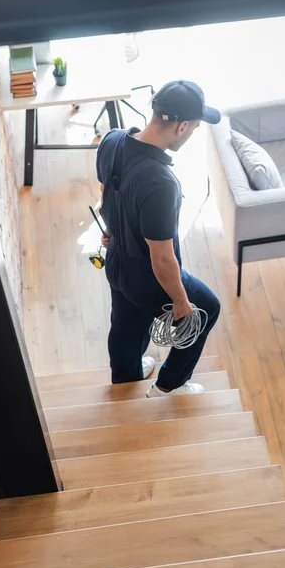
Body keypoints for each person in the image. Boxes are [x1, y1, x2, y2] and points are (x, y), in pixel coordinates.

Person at [96, 80, 221, 397]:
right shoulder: (162, 183)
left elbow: (106, 191)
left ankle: (125, 385)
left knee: (125, 328)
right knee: (206, 307)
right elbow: (162, 259)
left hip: (116, 264)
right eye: (193, 129)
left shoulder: (112, 140)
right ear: (181, 127)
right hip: (147, 278)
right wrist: (181, 302)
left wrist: (113, 228)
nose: (191, 134)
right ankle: (170, 385)